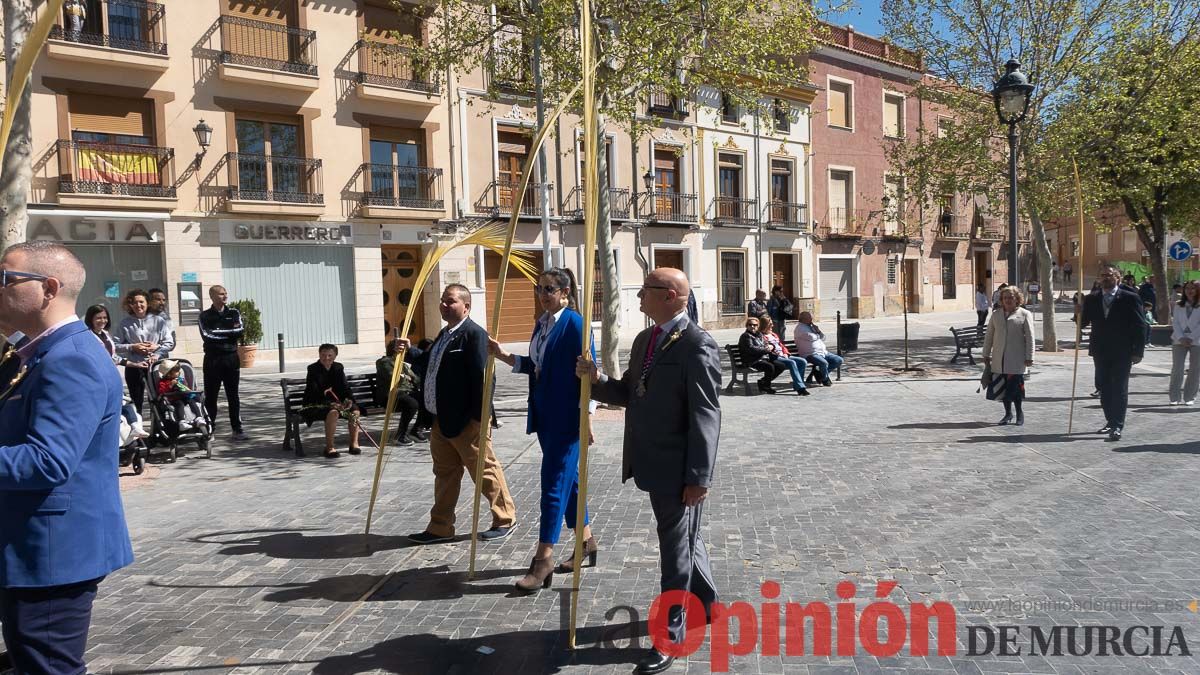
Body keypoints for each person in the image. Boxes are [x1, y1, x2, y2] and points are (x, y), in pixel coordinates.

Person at [576, 267, 720, 675]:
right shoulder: (645, 340)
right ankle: (707, 604)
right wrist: (598, 379)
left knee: (674, 552)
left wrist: (698, 478)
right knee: (686, 539)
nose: (638, 297)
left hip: (679, 470)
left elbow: (706, 414)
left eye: (646, 291)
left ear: (671, 295)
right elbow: (629, 392)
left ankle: (672, 635)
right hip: (650, 462)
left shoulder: (697, 344)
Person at [0, 241, 134, 675]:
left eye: (5, 279)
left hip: (52, 555)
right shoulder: (39, 352)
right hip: (33, 550)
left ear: (48, 288)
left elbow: (47, 461)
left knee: (49, 669)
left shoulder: (70, 358)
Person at [488, 268, 598, 593]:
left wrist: (587, 417)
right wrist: (504, 355)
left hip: (567, 419)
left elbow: (591, 372)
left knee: (552, 486)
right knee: (570, 484)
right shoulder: (542, 324)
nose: (542, 294)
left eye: (549, 289)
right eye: (540, 289)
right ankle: (587, 542)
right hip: (544, 416)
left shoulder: (576, 324)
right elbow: (536, 367)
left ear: (564, 292)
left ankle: (543, 558)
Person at [400, 285, 517, 545]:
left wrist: (478, 417)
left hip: (467, 421)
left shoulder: (474, 335)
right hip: (440, 419)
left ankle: (505, 518)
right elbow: (429, 364)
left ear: (466, 306)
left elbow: (485, 378)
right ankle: (440, 526)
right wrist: (410, 351)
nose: (444, 305)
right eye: (442, 301)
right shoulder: (444, 334)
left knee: (484, 471)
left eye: (450, 301)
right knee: (444, 474)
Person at [1081, 265, 1147, 440]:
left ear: (1117, 277)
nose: (1105, 278)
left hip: (1122, 350)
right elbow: (1082, 323)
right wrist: (1078, 310)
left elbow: (1140, 326)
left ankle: (1117, 425)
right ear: (1098, 279)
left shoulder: (1130, 298)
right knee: (1103, 386)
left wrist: (1138, 351)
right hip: (1100, 350)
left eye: (1109, 275)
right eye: (1102, 276)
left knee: (1119, 387)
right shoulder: (1092, 299)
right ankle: (1110, 421)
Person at [84, 304, 148, 438]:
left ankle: (133, 428)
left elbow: (113, 357)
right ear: (91, 319)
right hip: (98, 378)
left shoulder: (105, 334)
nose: (102, 321)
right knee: (115, 406)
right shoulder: (87, 336)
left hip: (111, 376)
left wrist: (135, 364)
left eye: (105, 317)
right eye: (98, 318)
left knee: (124, 403)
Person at [112, 288, 174, 413]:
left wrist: (156, 350)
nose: (138, 305)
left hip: (155, 366)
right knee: (136, 400)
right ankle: (138, 428)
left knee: (159, 399)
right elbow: (115, 345)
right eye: (134, 302)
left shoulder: (159, 321)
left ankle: (158, 429)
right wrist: (132, 347)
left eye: (141, 302)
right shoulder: (125, 323)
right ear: (130, 305)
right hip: (134, 366)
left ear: (147, 303)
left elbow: (169, 342)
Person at [198, 286, 248, 441]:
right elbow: (207, 335)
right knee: (211, 396)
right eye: (221, 294)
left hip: (231, 359)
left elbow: (239, 331)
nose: (225, 296)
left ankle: (237, 429)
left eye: (226, 293)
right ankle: (209, 428)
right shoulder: (204, 316)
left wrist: (218, 332)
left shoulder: (234, 313)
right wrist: (228, 334)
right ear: (212, 296)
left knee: (233, 395)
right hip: (213, 360)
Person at [982, 287, 1034, 425]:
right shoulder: (996, 315)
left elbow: (1030, 338)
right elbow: (989, 337)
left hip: (1017, 360)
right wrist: (985, 353)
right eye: (1005, 298)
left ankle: (1019, 413)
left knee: (1014, 388)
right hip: (1000, 360)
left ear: (1017, 298)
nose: (1008, 300)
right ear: (1001, 300)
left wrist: (1030, 356)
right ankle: (1008, 414)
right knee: (1003, 389)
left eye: (1011, 297)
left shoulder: (1025, 314)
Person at [301, 344, 361, 458]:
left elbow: (345, 387)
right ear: (319, 355)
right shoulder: (313, 369)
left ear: (335, 356)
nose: (326, 358)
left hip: (338, 403)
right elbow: (313, 391)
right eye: (323, 355)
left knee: (355, 411)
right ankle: (329, 447)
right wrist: (331, 404)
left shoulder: (338, 368)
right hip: (317, 403)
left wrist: (349, 401)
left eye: (330, 355)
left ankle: (354, 443)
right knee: (333, 412)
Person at [375, 339, 420, 447]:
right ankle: (400, 435)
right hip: (389, 395)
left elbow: (417, 380)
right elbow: (393, 377)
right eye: (402, 349)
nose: (405, 352)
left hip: (405, 393)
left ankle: (416, 430)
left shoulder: (402, 364)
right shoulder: (384, 362)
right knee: (411, 404)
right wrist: (406, 377)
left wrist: (407, 377)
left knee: (425, 399)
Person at [759, 316, 809, 396]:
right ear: (765, 325)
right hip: (775, 357)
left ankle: (798, 383)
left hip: (783, 355)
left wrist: (786, 353)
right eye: (770, 324)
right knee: (792, 363)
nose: (772, 326)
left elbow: (781, 345)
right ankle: (800, 388)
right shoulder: (761, 336)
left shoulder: (773, 334)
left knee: (802, 361)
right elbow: (766, 350)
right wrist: (776, 353)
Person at [1169, 280, 1200, 405]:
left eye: (1193, 288)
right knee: (1177, 368)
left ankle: (1190, 397)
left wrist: (1191, 337)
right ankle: (1174, 397)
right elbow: (1175, 322)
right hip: (1178, 340)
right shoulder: (1178, 304)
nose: (1190, 291)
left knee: (1195, 369)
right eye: (1187, 288)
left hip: (1197, 340)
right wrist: (1181, 337)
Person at [792, 311, 844, 386]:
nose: (811, 320)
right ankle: (825, 379)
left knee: (838, 360)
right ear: (803, 319)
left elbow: (823, 337)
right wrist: (817, 334)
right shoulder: (800, 328)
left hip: (823, 352)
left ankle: (820, 374)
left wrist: (818, 331)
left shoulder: (811, 327)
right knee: (823, 363)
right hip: (810, 354)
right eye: (810, 318)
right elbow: (811, 337)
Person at [737, 316, 785, 394]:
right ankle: (766, 386)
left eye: (755, 325)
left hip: (762, 358)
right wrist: (766, 349)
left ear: (758, 326)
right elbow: (751, 349)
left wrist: (771, 346)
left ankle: (763, 382)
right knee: (770, 367)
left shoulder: (759, 335)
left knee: (781, 366)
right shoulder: (745, 336)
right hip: (752, 360)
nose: (752, 326)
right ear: (747, 326)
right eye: (750, 325)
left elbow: (766, 344)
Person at [156, 359, 207, 432]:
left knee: (192, 401)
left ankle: (199, 418)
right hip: (174, 399)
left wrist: (183, 384)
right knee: (179, 404)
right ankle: (182, 422)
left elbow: (185, 387)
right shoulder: (163, 382)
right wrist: (170, 386)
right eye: (176, 371)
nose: (179, 372)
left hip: (184, 396)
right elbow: (162, 392)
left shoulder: (180, 379)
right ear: (169, 374)